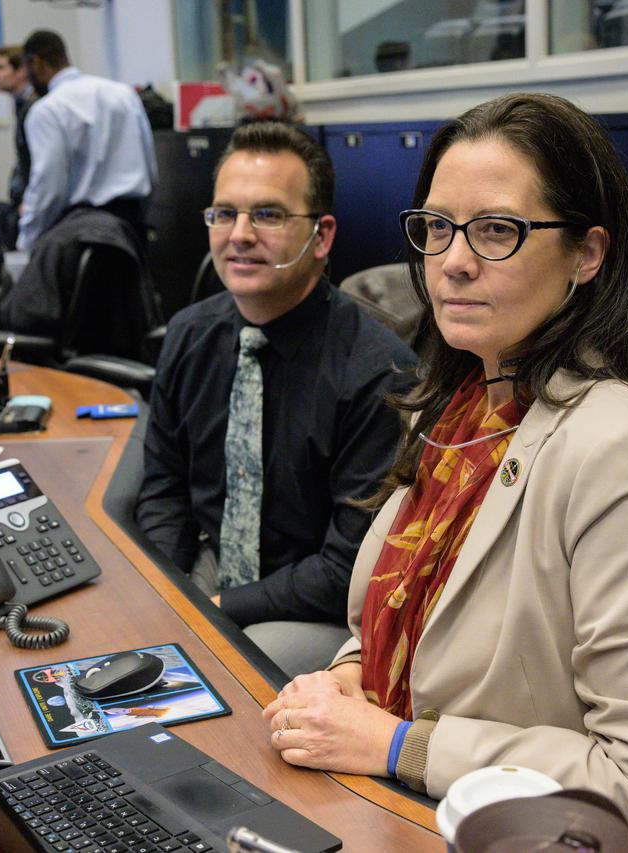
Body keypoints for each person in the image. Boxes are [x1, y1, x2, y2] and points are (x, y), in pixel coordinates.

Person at [261, 93, 628, 850]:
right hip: (409, 809)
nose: (451, 261)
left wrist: (396, 744)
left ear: (588, 253)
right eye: (437, 227)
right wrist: (353, 673)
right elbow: (409, 622)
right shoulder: (457, 410)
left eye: (496, 231)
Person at [135, 122, 417, 678]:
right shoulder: (189, 334)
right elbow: (164, 488)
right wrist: (162, 589)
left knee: (213, 672)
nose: (239, 234)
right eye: (224, 214)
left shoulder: (378, 371)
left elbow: (345, 568)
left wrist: (210, 612)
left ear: (322, 236)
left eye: (267, 214)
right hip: (213, 571)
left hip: (319, 609)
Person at [16, 29, 157, 251]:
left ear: (36, 62)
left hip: (83, 236)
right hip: (131, 226)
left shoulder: (47, 110)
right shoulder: (123, 94)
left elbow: (49, 187)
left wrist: (28, 241)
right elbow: (150, 167)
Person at [0, 44, 36, 249]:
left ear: (21, 71)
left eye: (1, 68)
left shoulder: (36, 107)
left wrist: (30, 201)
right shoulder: (21, 105)